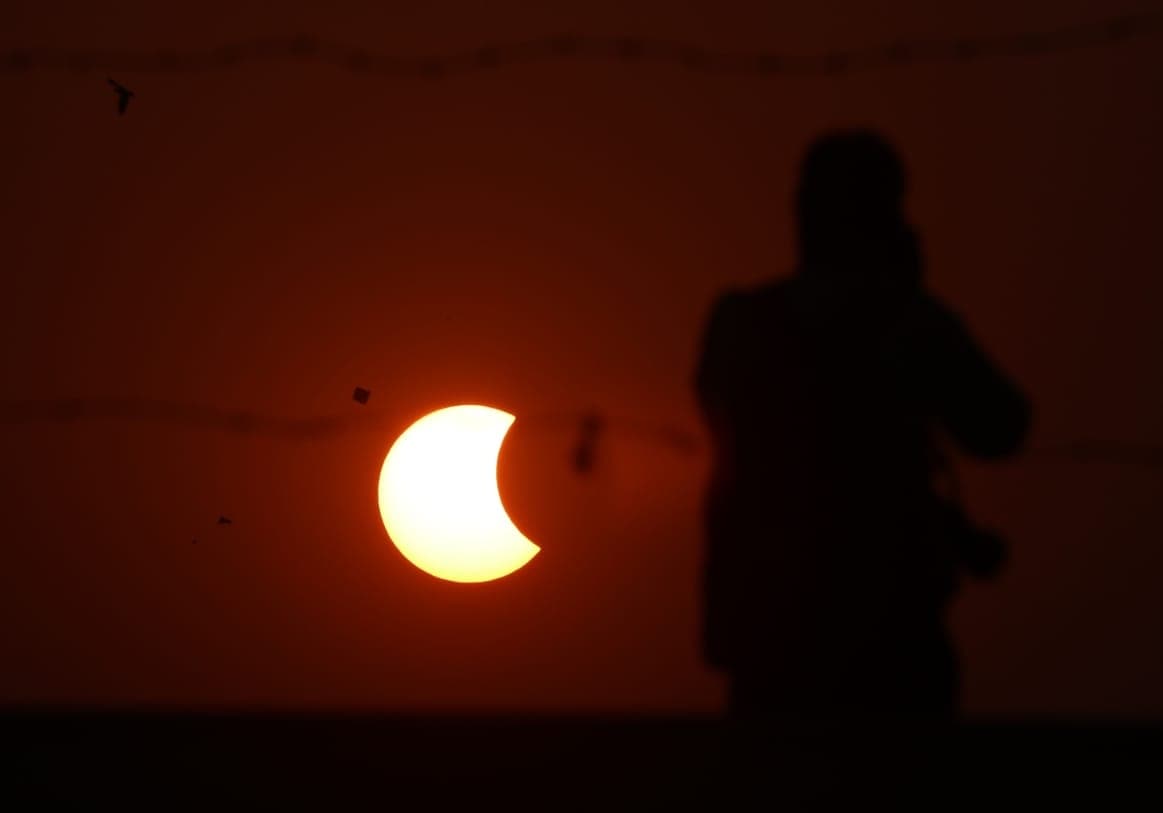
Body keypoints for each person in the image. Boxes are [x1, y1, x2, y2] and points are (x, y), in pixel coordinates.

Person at [694, 130, 1031, 726]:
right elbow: (1000, 426)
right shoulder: (910, 326)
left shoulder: (743, 326)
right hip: (882, 638)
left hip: (775, 638)